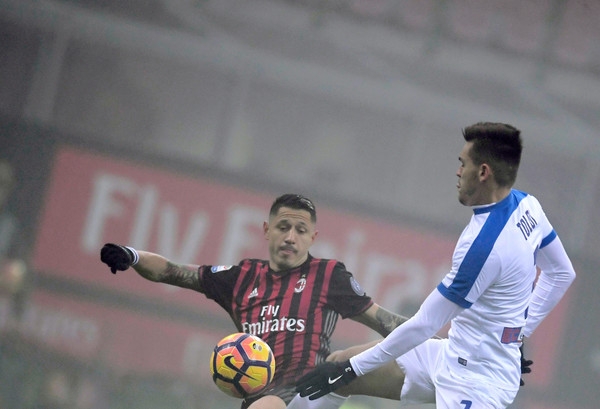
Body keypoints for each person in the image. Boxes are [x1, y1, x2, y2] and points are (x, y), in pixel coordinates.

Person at [296, 122, 576, 408]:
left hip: (478, 384)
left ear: (483, 172)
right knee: (339, 362)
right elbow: (561, 273)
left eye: (462, 163)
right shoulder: (528, 206)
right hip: (450, 356)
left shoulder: (483, 247)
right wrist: (516, 337)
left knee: (345, 369)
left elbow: (424, 325)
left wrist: (352, 369)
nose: (458, 171)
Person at [100, 193, 410, 409]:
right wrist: (132, 255)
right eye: (283, 227)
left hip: (313, 389)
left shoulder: (328, 275)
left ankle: (438, 384)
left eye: (300, 230)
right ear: (267, 230)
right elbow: (172, 271)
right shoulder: (241, 277)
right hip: (265, 395)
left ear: (312, 237)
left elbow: (384, 321)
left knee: (352, 358)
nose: (290, 237)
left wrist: (430, 334)